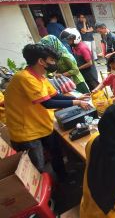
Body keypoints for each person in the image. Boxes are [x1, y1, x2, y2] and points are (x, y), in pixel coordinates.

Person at [5, 44, 91, 180]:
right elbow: (47, 103)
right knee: (35, 168)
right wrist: (77, 103)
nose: (54, 63)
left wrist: (76, 97)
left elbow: (54, 95)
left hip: (42, 124)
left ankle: (63, 178)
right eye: (52, 60)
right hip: (26, 132)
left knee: (56, 152)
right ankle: (45, 196)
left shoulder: (40, 77)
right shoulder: (24, 78)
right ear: (41, 61)